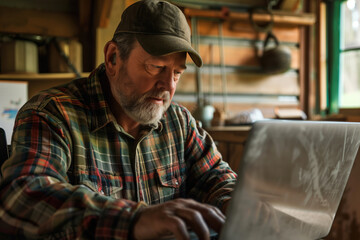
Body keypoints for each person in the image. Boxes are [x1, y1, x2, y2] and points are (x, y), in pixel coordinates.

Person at [0, 0, 237, 239]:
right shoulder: (52, 114)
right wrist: (134, 219)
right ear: (113, 58)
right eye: (155, 67)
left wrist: (236, 205)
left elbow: (217, 177)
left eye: (177, 73)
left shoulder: (180, 122)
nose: (169, 85)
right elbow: (23, 197)